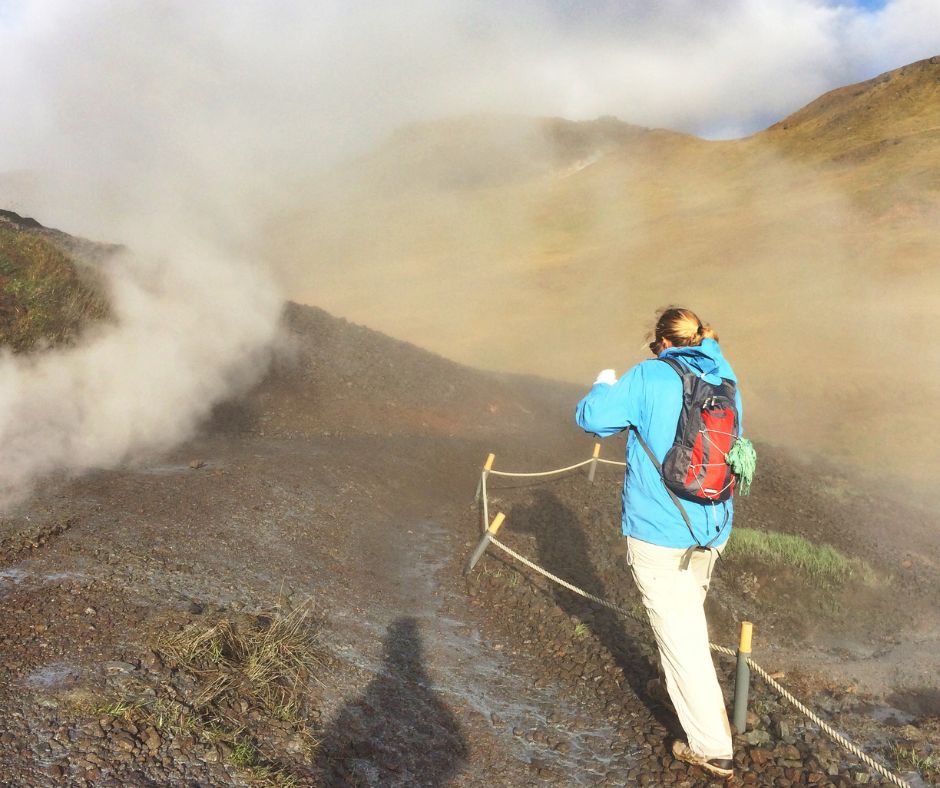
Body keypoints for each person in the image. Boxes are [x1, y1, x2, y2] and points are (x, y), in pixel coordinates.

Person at [575, 307, 740, 780]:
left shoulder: (650, 374)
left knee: (682, 638)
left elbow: (593, 419)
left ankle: (711, 746)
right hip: (712, 525)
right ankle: (682, 690)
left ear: (663, 343)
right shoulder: (724, 373)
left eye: (654, 346)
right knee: (687, 614)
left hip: (661, 530)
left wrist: (603, 382)